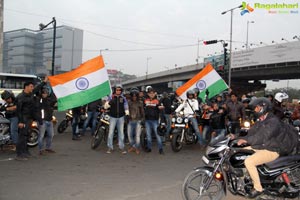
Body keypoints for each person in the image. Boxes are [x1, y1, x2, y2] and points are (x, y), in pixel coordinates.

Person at [236, 97, 286, 198]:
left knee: (249, 161)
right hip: (262, 146)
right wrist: (237, 137)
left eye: (256, 108)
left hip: (272, 149)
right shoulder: (262, 119)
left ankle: (258, 188)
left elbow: (262, 136)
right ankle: (246, 176)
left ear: (263, 107)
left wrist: (247, 140)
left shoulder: (273, 121)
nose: (255, 110)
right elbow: (252, 132)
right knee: (239, 152)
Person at [104, 84, 129, 154]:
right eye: (117, 90)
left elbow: (126, 105)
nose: (118, 91)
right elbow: (105, 107)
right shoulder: (111, 97)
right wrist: (109, 103)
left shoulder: (123, 98)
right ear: (115, 90)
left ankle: (122, 147)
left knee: (121, 133)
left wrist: (127, 112)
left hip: (121, 117)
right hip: (112, 117)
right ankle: (110, 147)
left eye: (120, 90)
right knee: (111, 133)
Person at [15, 81, 36, 161]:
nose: (32, 88)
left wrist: (44, 82)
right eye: (31, 86)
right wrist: (20, 121)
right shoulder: (21, 97)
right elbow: (19, 110)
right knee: (22, 137)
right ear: (26, 87)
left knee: (26, 136)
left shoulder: (30, 95)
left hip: (29, 118)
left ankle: (25, 151)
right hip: (23, 119)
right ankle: (19, 154)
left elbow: (37, 89)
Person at [36, 88, 57, 155]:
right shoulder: (39, 100)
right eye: (44, 93)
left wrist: (55, 89)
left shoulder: (49, 100)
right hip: (42, 121)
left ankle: (48, 148)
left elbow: (54, 99)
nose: (45, 94)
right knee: (41, 136)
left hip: (49, 120)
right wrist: (40, 120)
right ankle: (40, 150)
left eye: (46, 93)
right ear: (41, 94)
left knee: (51, 135)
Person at [144, 87, 164, 154]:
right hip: (147, 120)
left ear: (155, 93)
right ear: (148, 94)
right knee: (148, 135)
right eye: (150, 93)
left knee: (157, 135)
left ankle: (160, 149)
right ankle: (149, 148)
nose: (151, 94)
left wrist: (162, 120)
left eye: (153, 93)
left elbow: (161, 110)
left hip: (155, 120)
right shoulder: (145, 100)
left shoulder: (158, 101)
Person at [127, 88, 145, 155]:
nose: (134, 97)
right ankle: (133, 146)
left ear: (137, 96)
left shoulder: (140, 103)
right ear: (131, 96)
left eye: (135, 96)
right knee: (129, 136)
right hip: (130, 121)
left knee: (137, 136)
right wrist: (126, 119)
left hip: (138, 121)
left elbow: (143, 112)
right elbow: (126, 111)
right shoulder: (128, 102)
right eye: (133, 96)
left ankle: (136, 148)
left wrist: (143, 120)